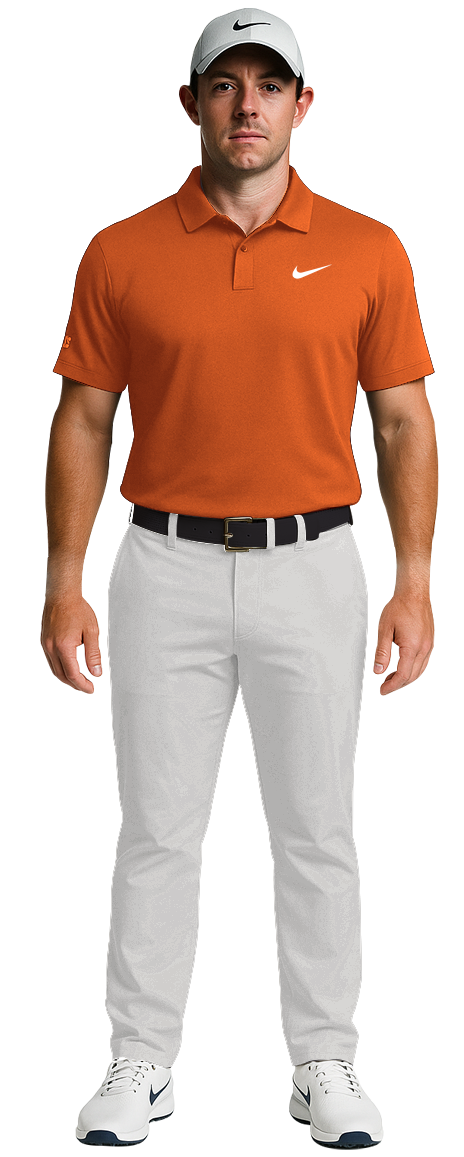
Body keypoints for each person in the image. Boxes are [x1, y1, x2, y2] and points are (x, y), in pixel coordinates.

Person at [43, 9, 437, 1151]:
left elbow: (404, 420)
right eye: (226, 84)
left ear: (304, 107)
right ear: (192, 105)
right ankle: (142, 1066)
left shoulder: (368, 248)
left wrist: (412, 580)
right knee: (156, 827)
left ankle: (322, 1064)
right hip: (159, 561)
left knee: (316, 829)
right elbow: (83, 419)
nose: (248, 105)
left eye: (270, 84)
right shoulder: (120, 250)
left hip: (314, 562)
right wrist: (63, 580)